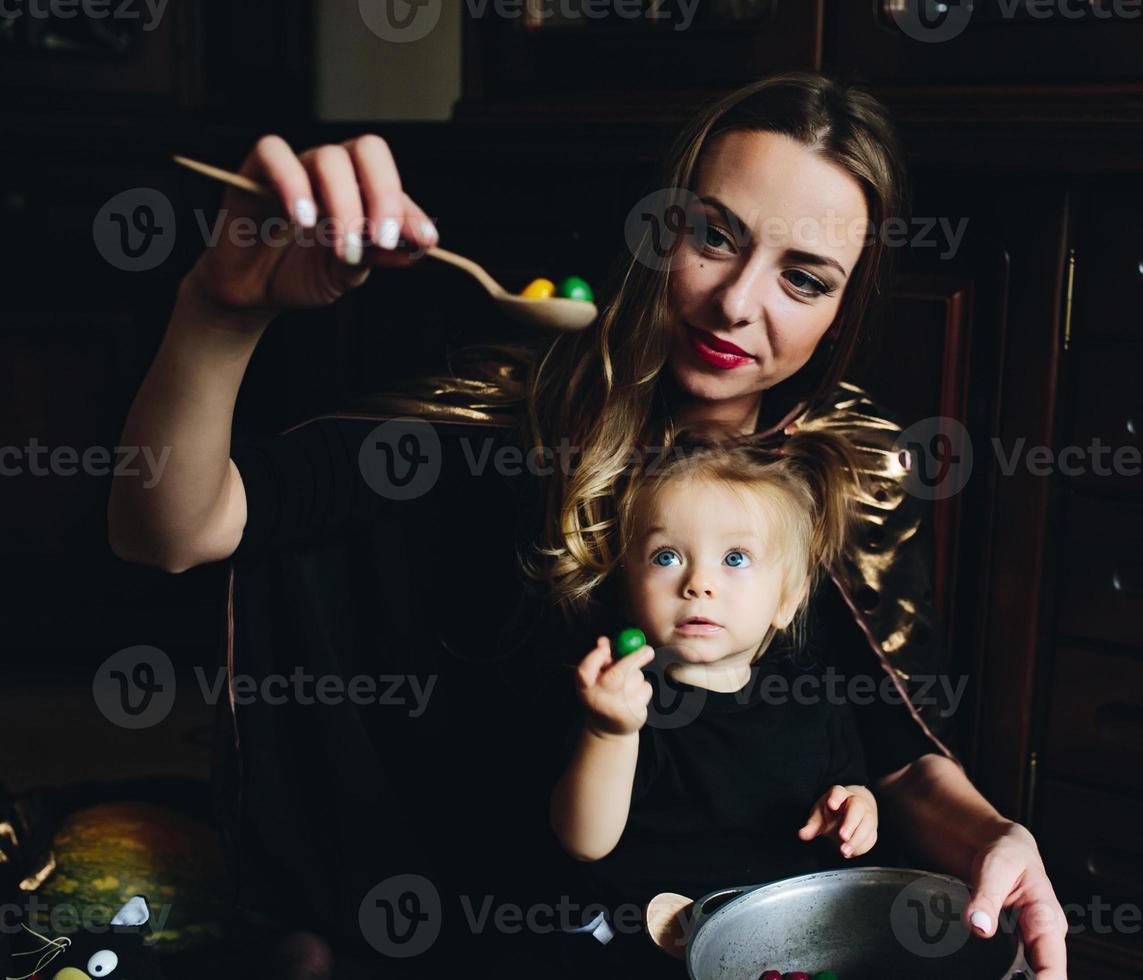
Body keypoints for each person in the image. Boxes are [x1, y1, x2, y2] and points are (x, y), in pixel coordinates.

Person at [107, 71, 1069, 978]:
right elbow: (170, 530)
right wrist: (220, 314)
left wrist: (996, 838)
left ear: (846, 308)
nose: (737, 304)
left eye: (805, 279)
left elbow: (898, 751)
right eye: (714, 235)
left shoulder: (851, 468)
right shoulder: (512, 417)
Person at [547, 429, 878, 972]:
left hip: (781, 945)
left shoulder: (812, 695)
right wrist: (610, 732)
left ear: (787, 599)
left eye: (737, 558)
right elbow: (583, 841)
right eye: (668, 555)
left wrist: (857, 809)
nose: (699, 582)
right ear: (629, 583)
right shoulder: (625, 697)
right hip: (652, 946)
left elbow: (851, 785)